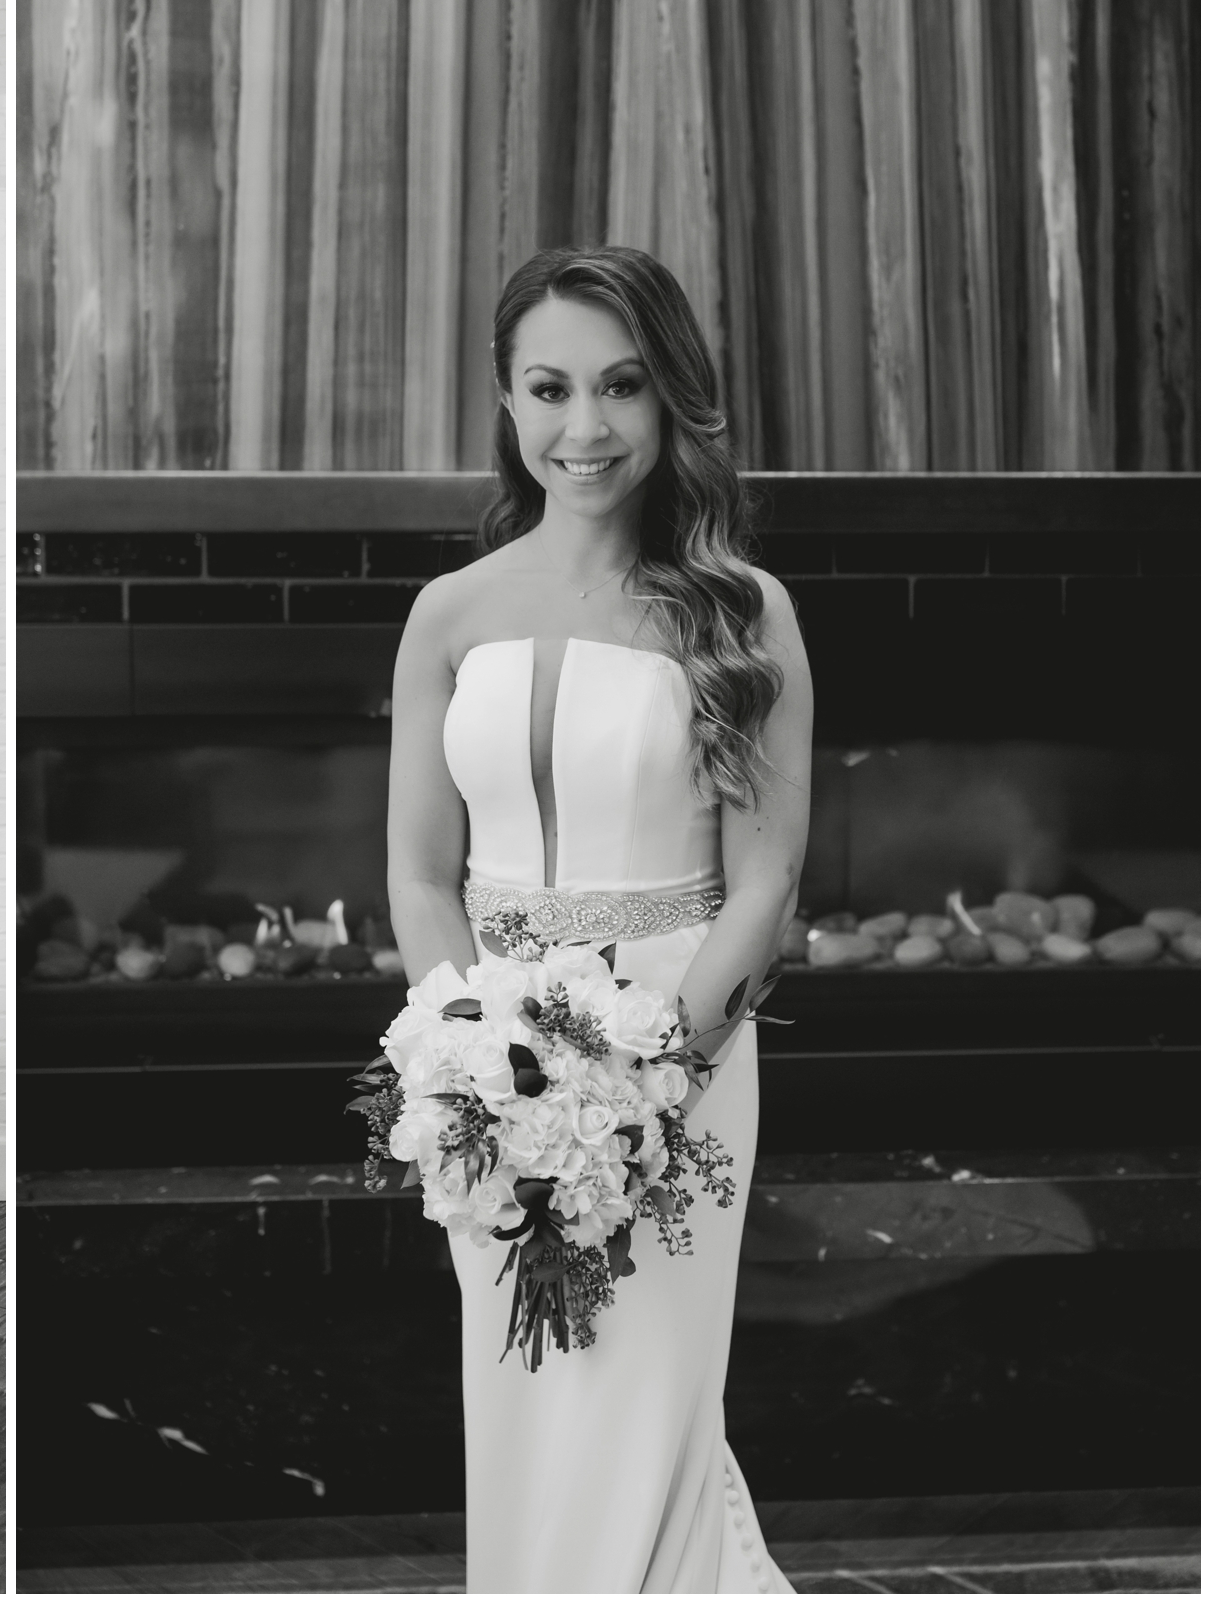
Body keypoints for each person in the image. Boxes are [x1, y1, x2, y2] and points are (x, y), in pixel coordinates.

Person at [386, 246, 812, 1592]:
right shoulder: (447, 614)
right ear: (506, 402)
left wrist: (647, 1077)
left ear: (669, 395)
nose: (587, 427)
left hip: (682, 1057)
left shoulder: (743, 616)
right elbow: (416, 868)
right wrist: (473, 1058)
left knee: (647, 1403)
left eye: (622, 386)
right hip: (488, 1078)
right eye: (551, 386)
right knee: (523, 1391)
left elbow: (770, 881)